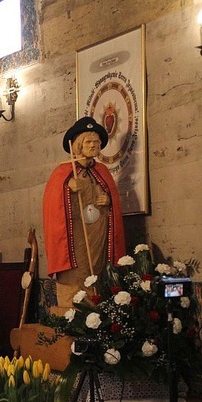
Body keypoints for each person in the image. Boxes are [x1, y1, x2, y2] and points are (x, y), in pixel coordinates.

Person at [43, 116, 126, 310]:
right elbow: (52, 206)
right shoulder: (62, 173)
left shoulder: (102, 171)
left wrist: (108, 200)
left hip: (98, 233)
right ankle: (75, 313)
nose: (94, 145)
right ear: (78, 145)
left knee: (96, 273)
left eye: (96, 142)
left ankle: (96, 312)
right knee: (78, 276)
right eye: (89, 142)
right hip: (76, 236)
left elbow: (111, 200)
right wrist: (67, 188)